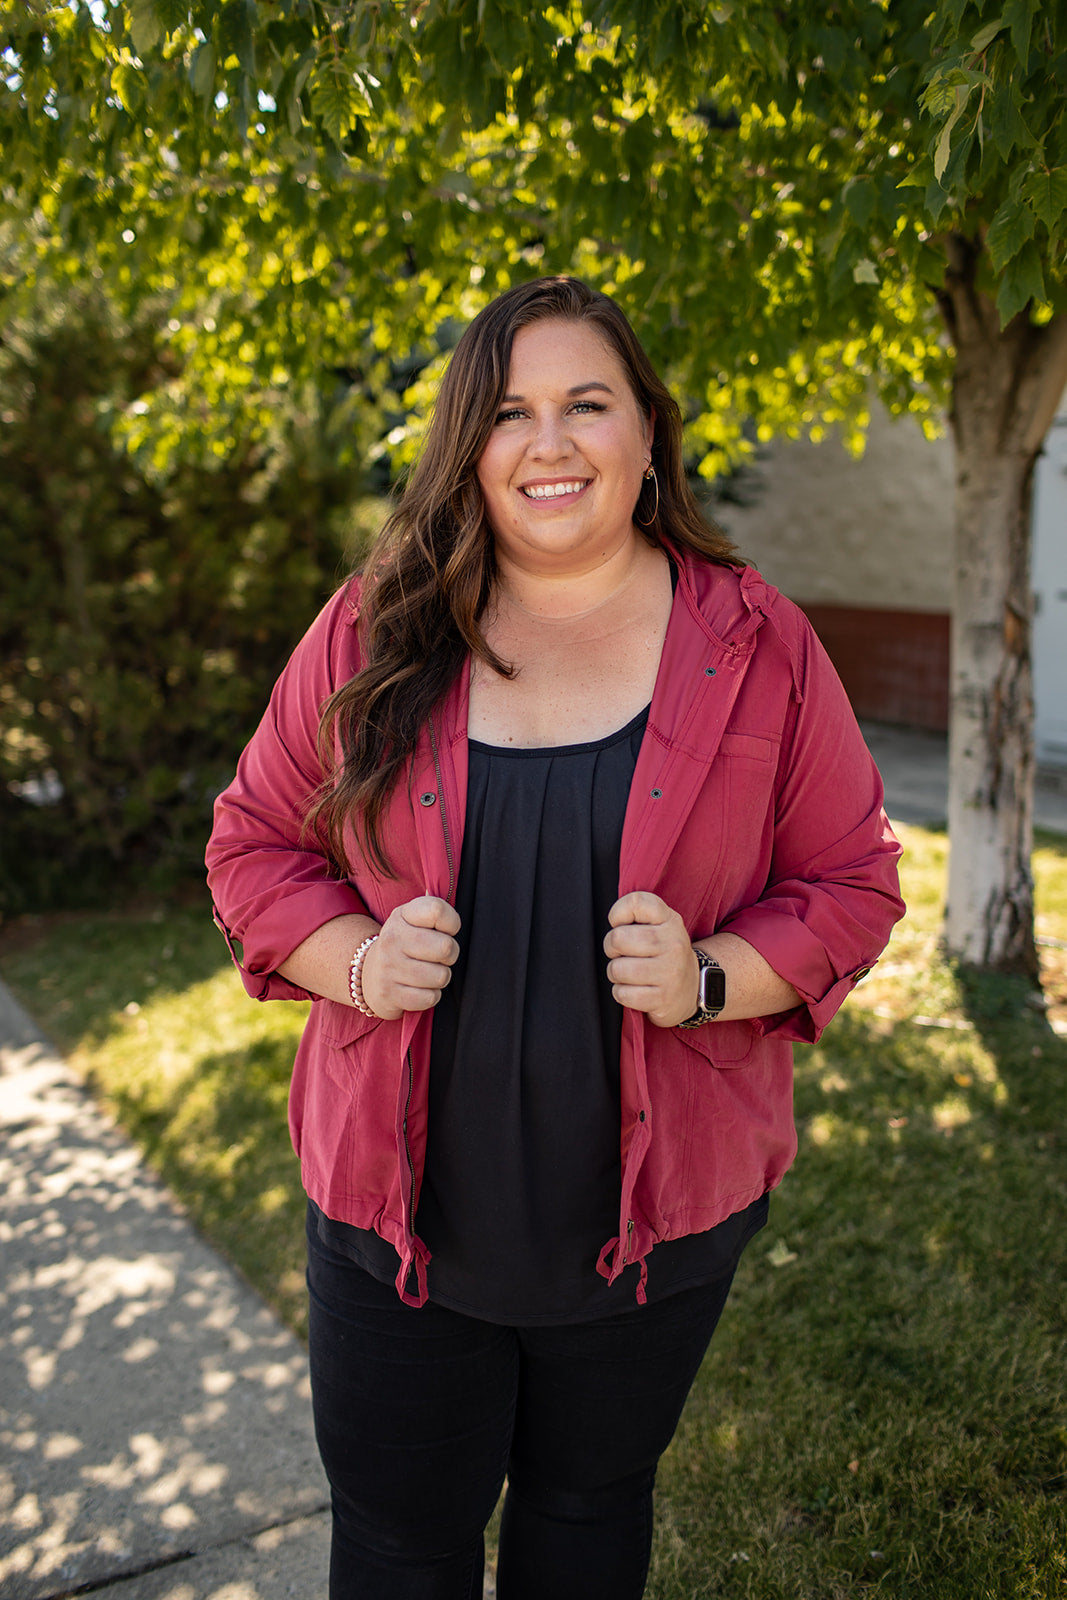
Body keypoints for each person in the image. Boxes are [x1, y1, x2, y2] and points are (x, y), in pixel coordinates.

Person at [206, 276, 904, 1600]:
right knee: (399, 1544)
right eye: (508, 412)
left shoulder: (756, 642)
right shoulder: (375, 625)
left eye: (587, 403)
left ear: (646, 431)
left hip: (655, 1220)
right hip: (396, 1222)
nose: (549, 443)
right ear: (467, 445)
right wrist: (357, 961)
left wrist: (709, 978)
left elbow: (852, 880)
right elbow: (251, 845)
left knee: (589, 1512)